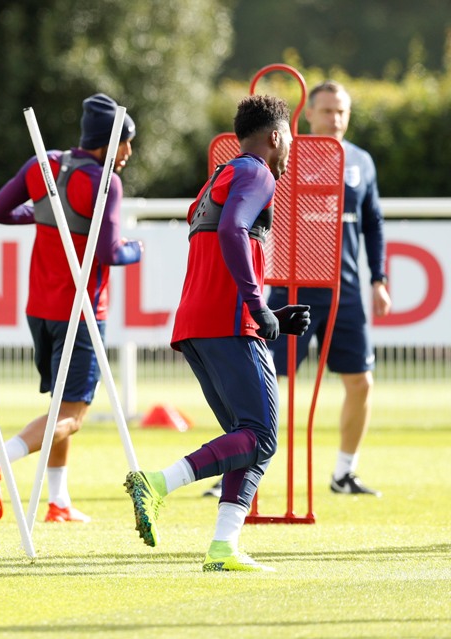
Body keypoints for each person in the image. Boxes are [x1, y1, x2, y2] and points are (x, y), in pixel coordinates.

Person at [124, 94, 310, 572]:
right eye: (290, 137)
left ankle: (224, 547)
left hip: (199, 323)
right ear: (275, 137)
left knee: (244, 437)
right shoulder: (257, 172)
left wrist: (269, 311)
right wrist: (253, 304)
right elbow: (232, 231)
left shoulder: (220, 177)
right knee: (262, 437)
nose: (292, 146)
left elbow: (220, 242)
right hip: (228, 321)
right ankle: (158, 483)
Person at [0, 94, 143, 523]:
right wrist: (136, 250)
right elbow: (107, 251)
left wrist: (47, 213)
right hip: (82, 311)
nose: (129, 153)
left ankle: (59, 502)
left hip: (39, 309)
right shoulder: (106, 182)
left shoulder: (44, 164)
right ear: (109, 141)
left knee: (60, 407)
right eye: (127, 142)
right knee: (74, 415)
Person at [267, 80, 390, 497]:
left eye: (342, 111)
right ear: (309, 113)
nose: (335, 119)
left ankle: (343, 473)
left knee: (362, 382)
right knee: (262, 380)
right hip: (291, 288)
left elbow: (373, 223)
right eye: (327, 111)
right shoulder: (286, 154)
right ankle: (242, 469)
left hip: (347, 292)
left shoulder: (362, 161)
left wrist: (379, 278)